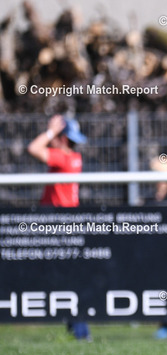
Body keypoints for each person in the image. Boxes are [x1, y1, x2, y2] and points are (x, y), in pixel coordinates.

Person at [27, 115, 91, 340]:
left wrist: (50, 132)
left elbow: (33, 148)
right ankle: (78, 329)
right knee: (66, 277)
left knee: (65, 277)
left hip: (59, 223)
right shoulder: (72, 157)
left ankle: (81, 330)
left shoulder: (64, 158)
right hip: (59, 222)